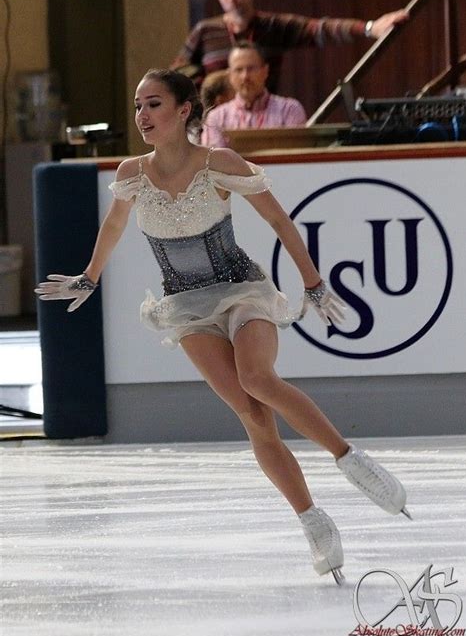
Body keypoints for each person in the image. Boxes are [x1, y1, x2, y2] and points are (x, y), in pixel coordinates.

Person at [35, 68, 411, 585]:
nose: (142, 116)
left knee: (258, 378)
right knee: (252, 414)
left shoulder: (219, 164)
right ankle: (313, 520)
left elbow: (280, 220)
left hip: (241, 291)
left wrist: (314, 284)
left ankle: (350, 460)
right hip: (187, 306)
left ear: (185, 109)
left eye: (155, 104)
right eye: (138, 106)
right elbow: (116, 225)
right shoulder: (131, 173)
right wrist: (89, 277)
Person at [171, 0, 409, 90]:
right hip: (214, 122)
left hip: (264, 117)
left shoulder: (272, 27)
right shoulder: (205, 31)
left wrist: (369, 28)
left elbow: (320, 29)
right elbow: (178, 75)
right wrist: (208, 90)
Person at [201, 41, 306, 147]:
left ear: (265, 71)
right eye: (239, 70)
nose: (245, 76)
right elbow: (213, 162)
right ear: (230, 76)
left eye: (251, 69)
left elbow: (294, 158)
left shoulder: (289, 110)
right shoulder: (217, 118)